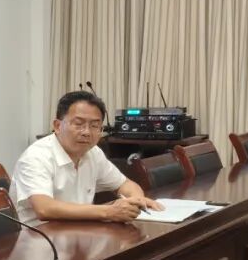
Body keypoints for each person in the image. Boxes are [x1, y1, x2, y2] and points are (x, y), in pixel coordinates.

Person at [9, 90, 163, 224]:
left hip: (80, 231)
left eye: (94, 126)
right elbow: (45, 208)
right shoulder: (36, 157)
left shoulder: (93, 153)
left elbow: (125, 184)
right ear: (57, 126)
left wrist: (136, 200)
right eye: (78, 124)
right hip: (39, 238)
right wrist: (109, 211)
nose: (87, 132)